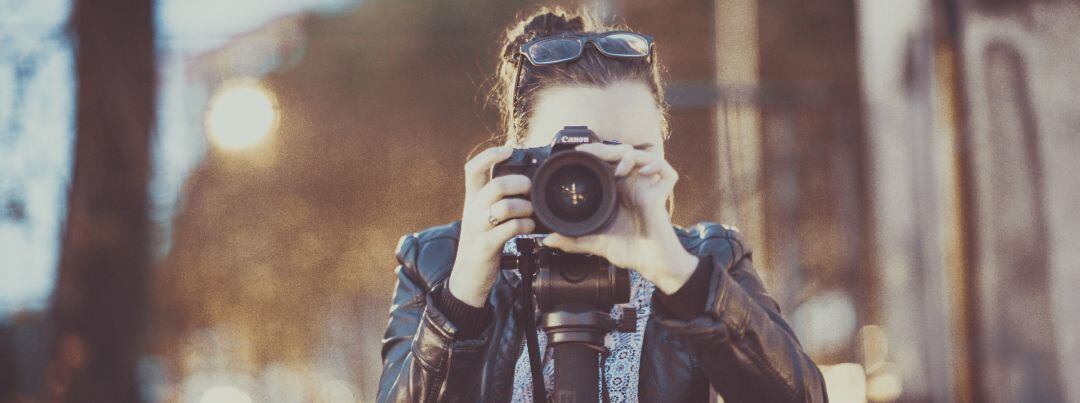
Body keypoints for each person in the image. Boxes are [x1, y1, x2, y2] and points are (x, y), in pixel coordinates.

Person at [377, 7, 827, 402]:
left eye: (630, 157)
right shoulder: (437, 263)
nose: (597, 183)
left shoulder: (707, 261)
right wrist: (460, 302)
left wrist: (680, 277)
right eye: (573, 160)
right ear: (516, 157)